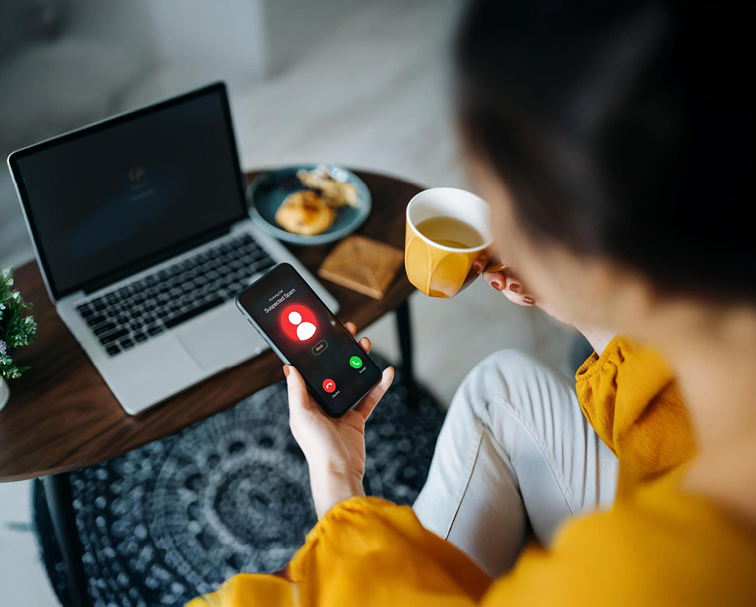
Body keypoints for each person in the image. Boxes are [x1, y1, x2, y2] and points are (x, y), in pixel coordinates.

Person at [188, 2, 756, 605]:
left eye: (496, 193)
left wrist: (337, 479)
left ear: (575, 227)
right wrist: (590, 309)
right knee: (500, 384)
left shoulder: (632, 577)